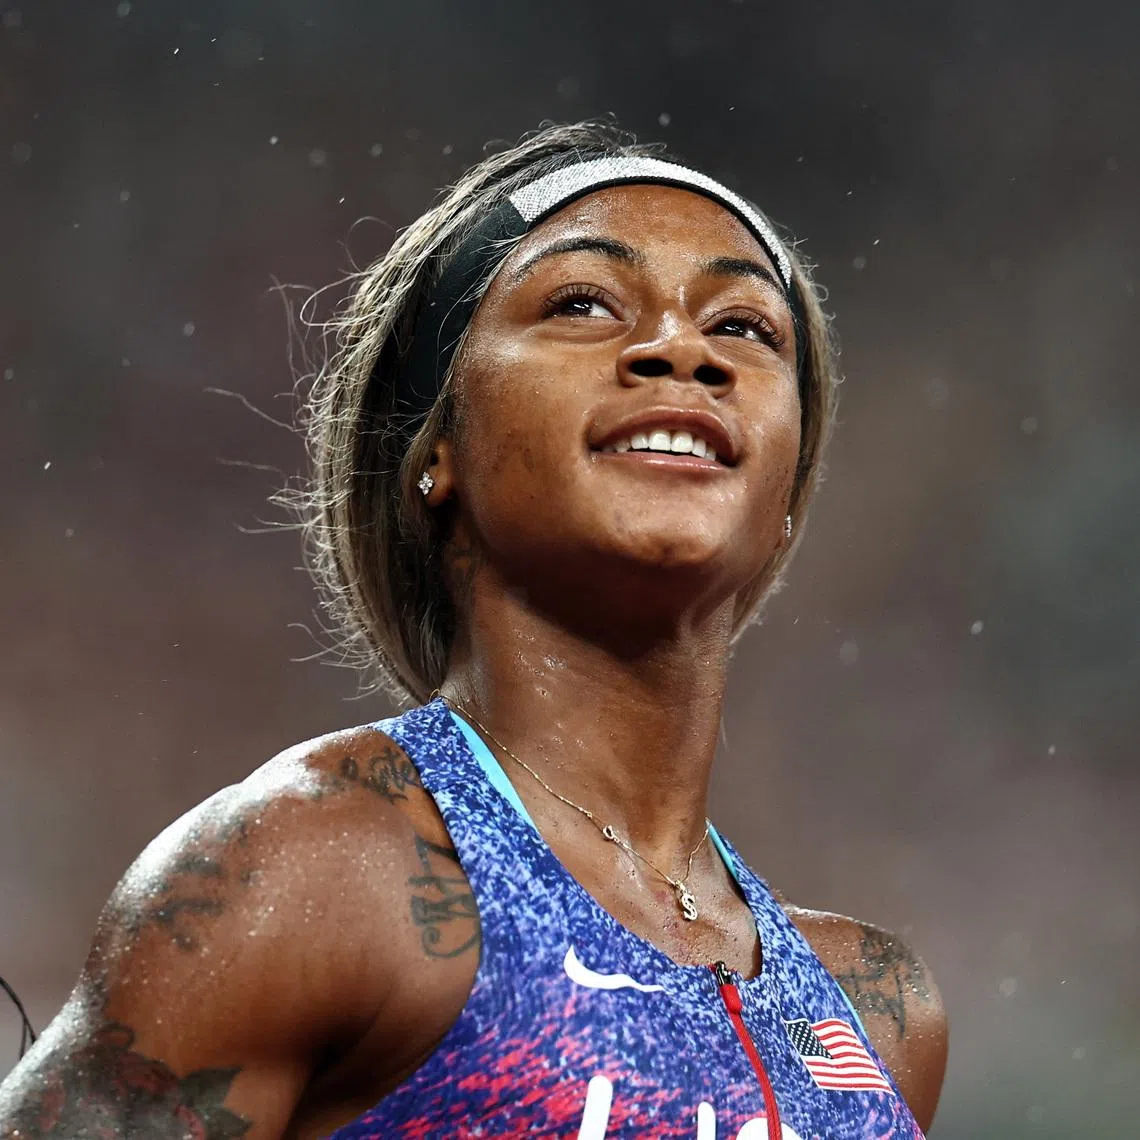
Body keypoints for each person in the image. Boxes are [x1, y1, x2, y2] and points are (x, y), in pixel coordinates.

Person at [0, 121, 947, 1139]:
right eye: (583, 302)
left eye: (747, 330)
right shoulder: (308, 872)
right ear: (434, 448)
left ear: (788, 496)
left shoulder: (878, 1014)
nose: (683, 348)